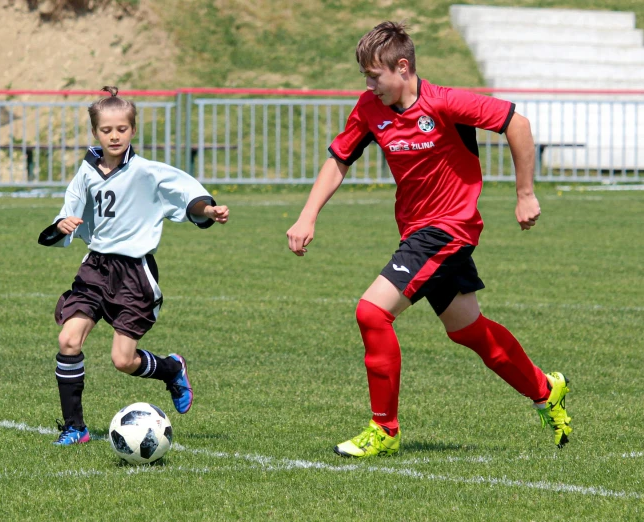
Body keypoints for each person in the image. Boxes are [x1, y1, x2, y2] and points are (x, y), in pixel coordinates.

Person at [286, 21, 572, 457]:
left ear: (402, 67)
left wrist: (525, 193)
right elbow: (339, 157)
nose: (368, 84)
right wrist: (308, 216)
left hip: (448, 229)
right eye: (364, 76)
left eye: (373, 75)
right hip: (418, 231)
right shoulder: (369, 108)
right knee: (469, 331)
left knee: (371, 312)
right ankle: (544, 389)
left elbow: (517, 123)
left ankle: (384, 430)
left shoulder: (444, 102)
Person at [38, 86, 229, 445]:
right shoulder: (86, 173)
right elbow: (69, 212)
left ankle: (172, 368)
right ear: (95, 132)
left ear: (133, 130)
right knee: (68, 340)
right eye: (106, 130)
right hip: (94, 268)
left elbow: (187, 196)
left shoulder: (147, 172)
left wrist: (208, 210)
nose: (114, 135)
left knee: (123, 361)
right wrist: (63, 223)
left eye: (121, 129)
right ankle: (75, 428)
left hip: (133, 275)